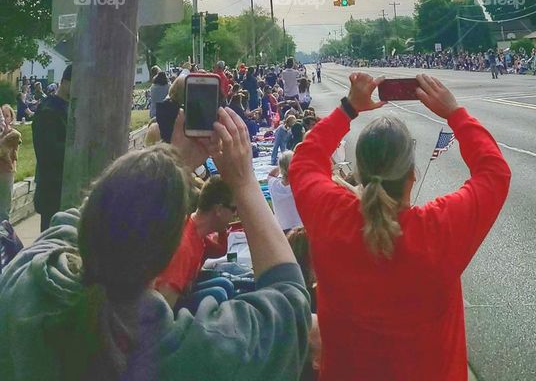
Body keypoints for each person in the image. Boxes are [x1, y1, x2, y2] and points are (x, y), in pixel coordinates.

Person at [0, 107, 311, 380]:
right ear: (166, 254)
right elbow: (290, 306)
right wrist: (243, 184)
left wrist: (172, 160)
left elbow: (80, 220)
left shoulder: (26, 285)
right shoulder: (185, 353)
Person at [290, 71, 511, 381]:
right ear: (412, 175)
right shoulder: (436, 230)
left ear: (360, 173)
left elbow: (303, 162)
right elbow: (494, 173)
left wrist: (348, 108)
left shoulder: (331, 218)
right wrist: (455, 114)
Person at [155, 175, 237, 311]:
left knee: (225, 284)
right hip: (168, 306)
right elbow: (164, 306)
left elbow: (220, 251)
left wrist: (223, 229)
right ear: (218, 210)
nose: (235, 215)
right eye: (234, 209)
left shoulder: (197, 232)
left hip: (184, 290)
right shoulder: (185, 246)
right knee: (219, 293)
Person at [31, 64, 71, 231]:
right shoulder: (49, 110)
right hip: (52, 189)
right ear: (65, 82)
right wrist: (78, 149)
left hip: (65, 186)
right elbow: (47, 151)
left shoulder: (69, 107)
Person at [267, 151, 303, 233]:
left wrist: (282, 166)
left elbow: (271, 174)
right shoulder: (300, 186)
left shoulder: (273, 184)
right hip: (301, 228)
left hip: (281, 230)